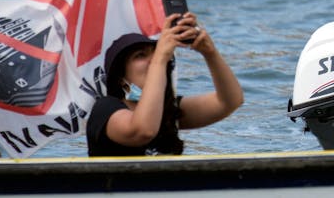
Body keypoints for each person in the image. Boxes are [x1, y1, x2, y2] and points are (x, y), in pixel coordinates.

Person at [86, 14, 244, 156]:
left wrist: (210, 52)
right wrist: (160, 58)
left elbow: (229, 102)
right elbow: (143, 130)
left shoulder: (168, 110)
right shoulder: (105, 108)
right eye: (140, 55)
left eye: (155, 53)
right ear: (120, 77)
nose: (152, 60)